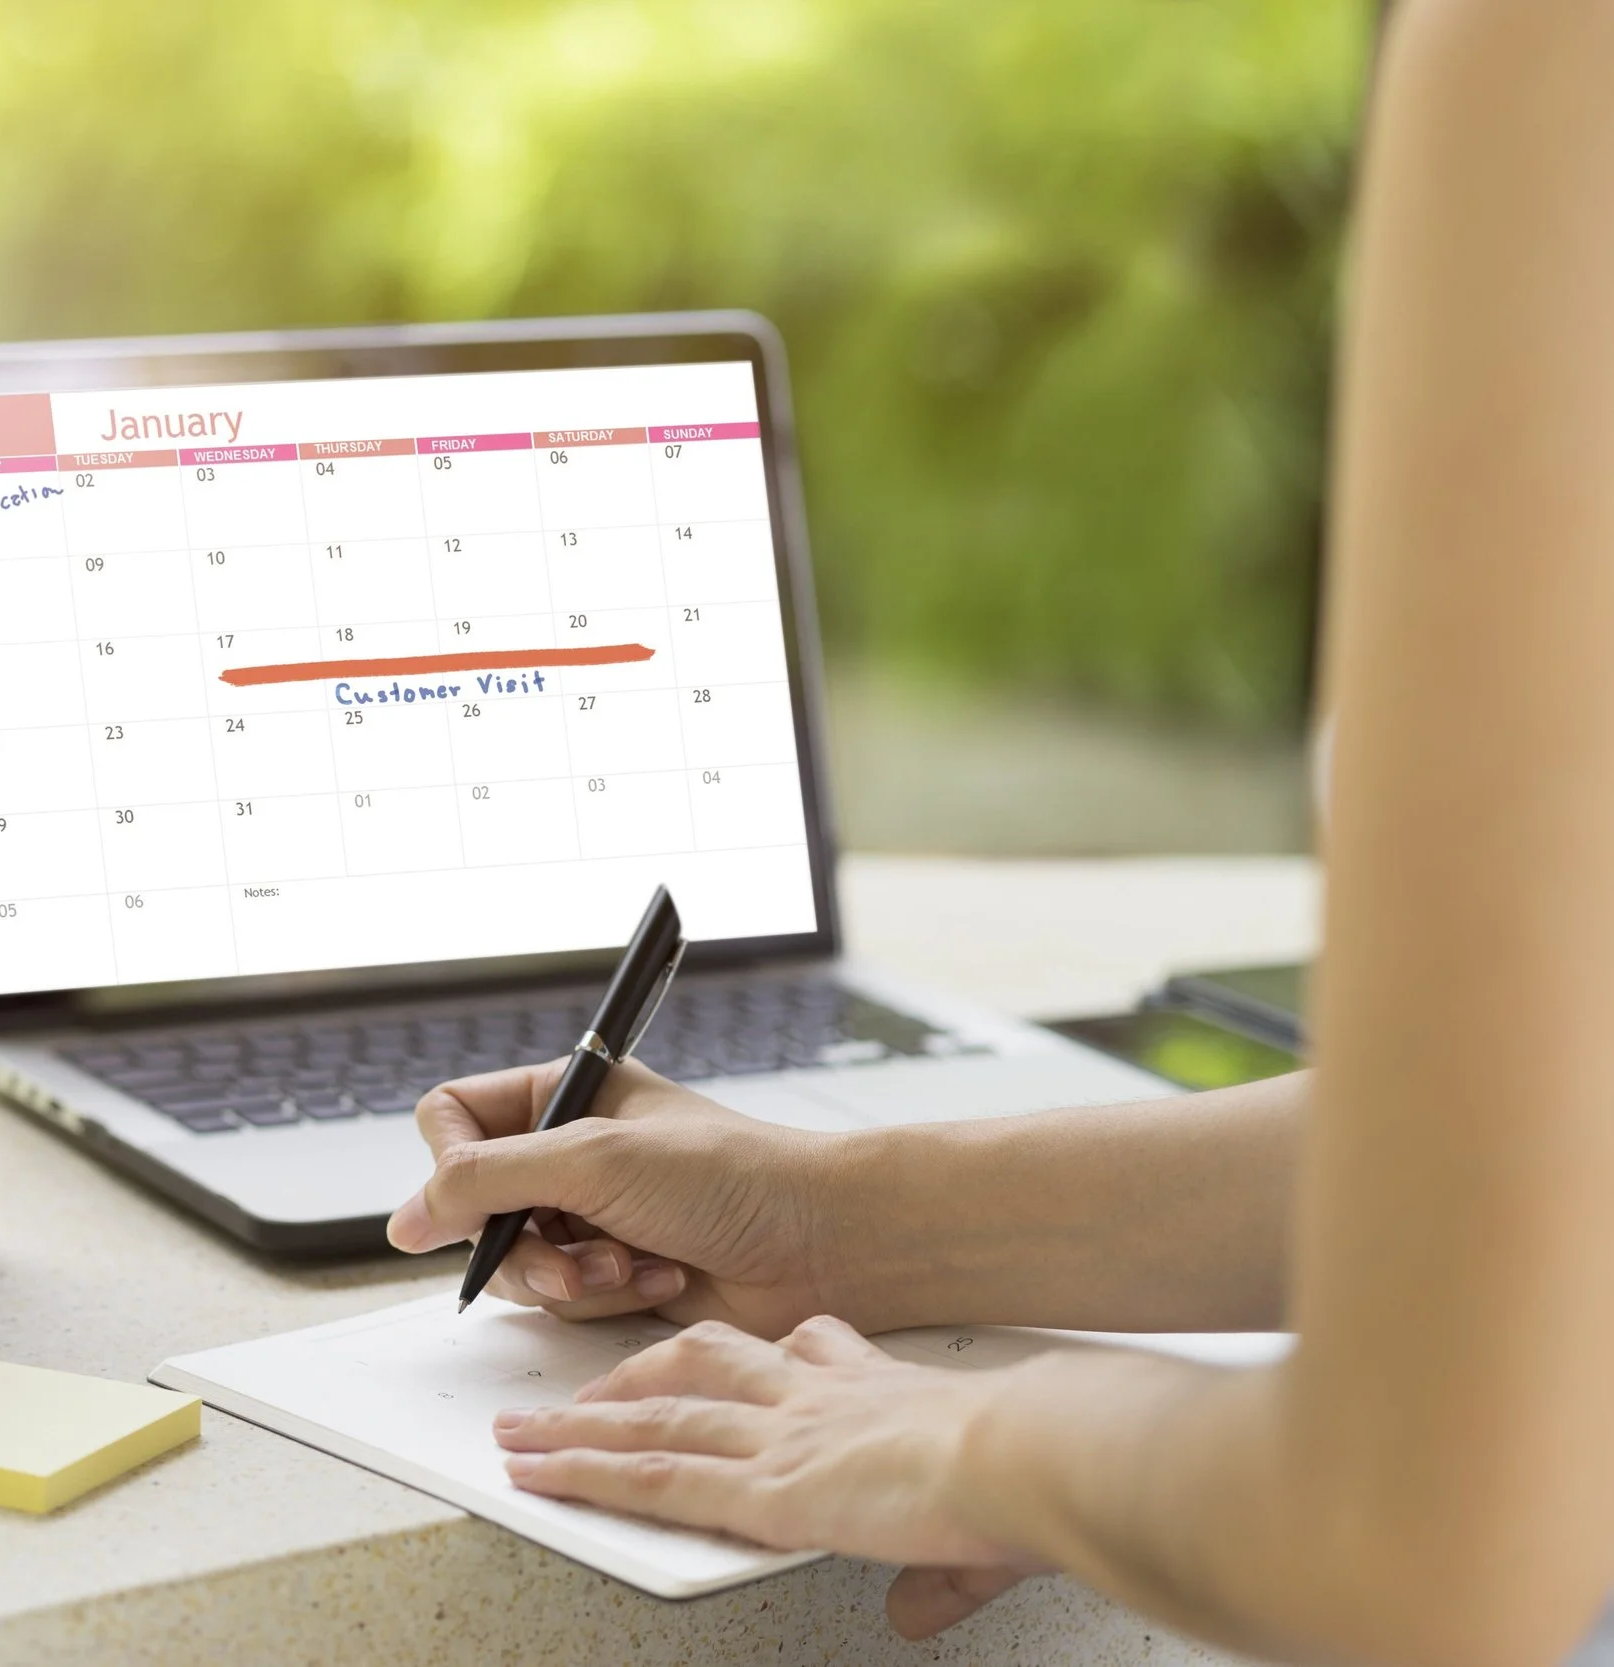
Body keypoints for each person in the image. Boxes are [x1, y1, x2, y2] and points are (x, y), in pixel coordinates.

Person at [383, 1, 1614, 1660]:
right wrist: (837, 1223)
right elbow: (1546, 1147)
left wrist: (974, 1442)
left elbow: (1417, 1533)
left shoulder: (1543, 55)